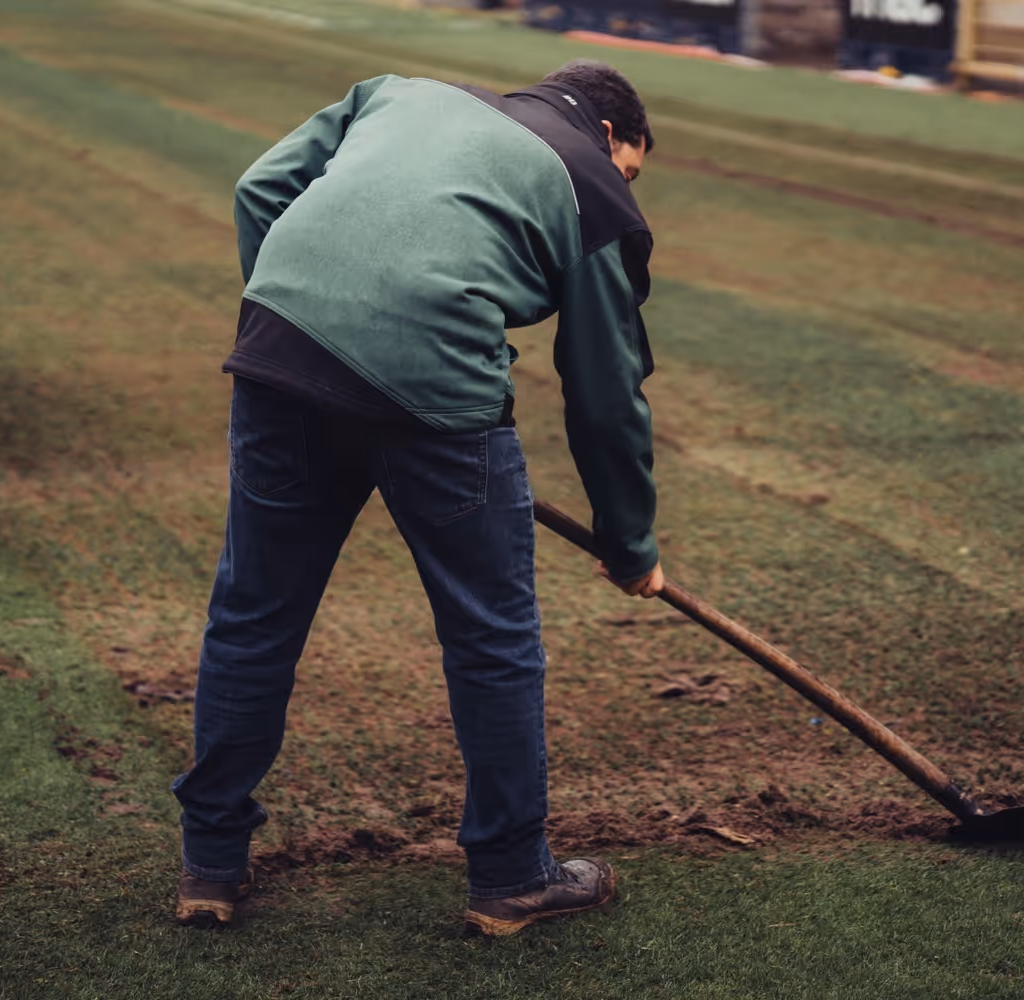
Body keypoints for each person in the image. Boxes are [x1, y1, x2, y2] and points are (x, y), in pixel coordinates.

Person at [170, 59, 664, 937]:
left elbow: (260, 190)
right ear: (613, 137)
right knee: (492, 638)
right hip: (439, 403)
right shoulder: (596, 186)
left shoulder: (396, 92)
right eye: (632, 168)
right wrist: (629, 547)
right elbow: (603, 394)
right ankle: (514, 874)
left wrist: (310, 329)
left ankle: (210, 864)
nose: (627, 189)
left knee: (253, 615)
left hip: (280, 357)